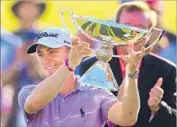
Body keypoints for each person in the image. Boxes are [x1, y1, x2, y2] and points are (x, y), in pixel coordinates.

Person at [18, 27, 149, 127]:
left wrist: (131, 74)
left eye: (52, 52)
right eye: (40, 54)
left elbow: (127, 118)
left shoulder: (97, 94)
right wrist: (69, 65)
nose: (46, 59)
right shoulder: (29, 92)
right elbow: (34, 103)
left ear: (70, 51)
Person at [76, 1, 176, 127]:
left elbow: (174, 121)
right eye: (126, 27)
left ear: (149, 33)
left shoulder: (166, 70)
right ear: (114, 29)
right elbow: (84, 117)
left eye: (140, 28)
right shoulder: (92, 65)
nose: (132, 34)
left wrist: (157, 107)